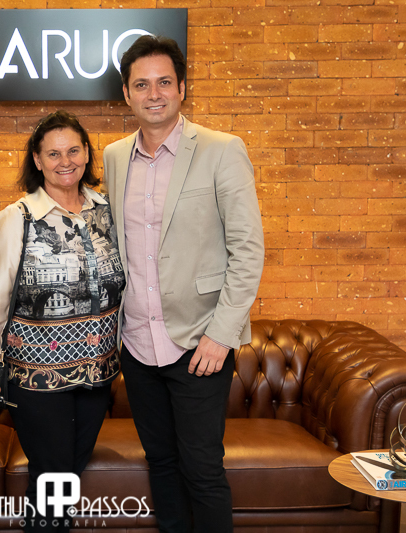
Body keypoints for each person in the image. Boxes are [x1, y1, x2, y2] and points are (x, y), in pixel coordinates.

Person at [102, 36, 265, 533]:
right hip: (137, 344)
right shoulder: (113, 156)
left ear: (182, 88)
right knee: (163, 464)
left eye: (164, 83)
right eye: (141, 85)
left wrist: (221, 335)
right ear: (126, 94)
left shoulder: (221, 150)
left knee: (202, 469)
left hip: (200, 343)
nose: (153, 94)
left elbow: (247, 251)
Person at [0, 110, 125, 533]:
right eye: (53, 153)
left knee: (67, 474)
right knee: (53, 475)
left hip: (99, 374)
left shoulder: (108, 210)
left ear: (87, 153)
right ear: (37, 160)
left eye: (73, 150)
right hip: (38, 379)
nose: (65, 161)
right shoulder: (16, 219)